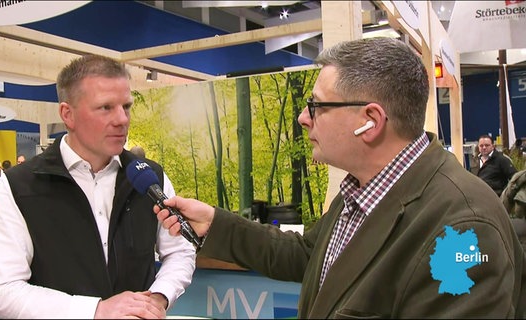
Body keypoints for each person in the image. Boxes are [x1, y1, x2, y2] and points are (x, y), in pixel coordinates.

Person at [154, 37, 525, 318]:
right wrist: (215, 224)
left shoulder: (462, 228)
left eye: (316, 106)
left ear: (371, 121)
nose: (303, 117)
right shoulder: (363, 191)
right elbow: (307, 255)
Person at [0, 55, 196, 319]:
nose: (122, 119)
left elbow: (180, 251)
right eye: (105, 107)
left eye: (126, 106)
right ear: (67, 114)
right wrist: (94, 311)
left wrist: (160, 297)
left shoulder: (150, 178)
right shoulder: (20, 186)